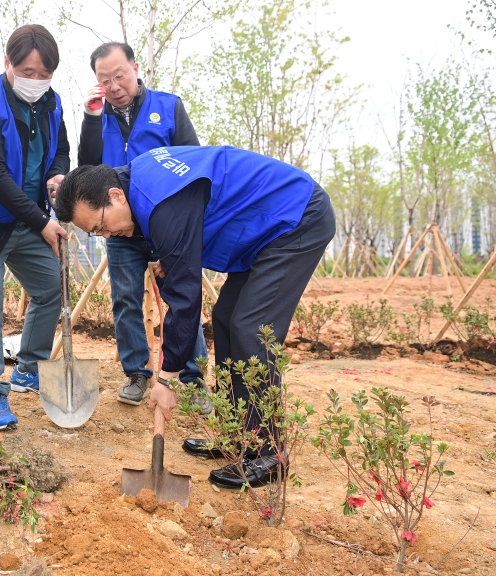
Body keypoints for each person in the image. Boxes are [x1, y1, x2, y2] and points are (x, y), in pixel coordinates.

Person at [54, 146, 336, 489]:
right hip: (265, 229)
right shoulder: (138, 183)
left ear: (115, 196)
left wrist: (167, 379)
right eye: (96, 234)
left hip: (295, 217)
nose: (106, 235)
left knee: (251, 328)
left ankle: (270, 451)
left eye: (101, 226)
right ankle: (237, 436)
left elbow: (186, 301)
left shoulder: (162, 202)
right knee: (226, 318)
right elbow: (184, 231)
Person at [77, 42, 210, 410]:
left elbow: (194, 160)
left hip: (167, 222)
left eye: (119, 75)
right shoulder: (96, 118)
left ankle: (193, 378)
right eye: (105, 80)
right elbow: (86, 171)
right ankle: (137, 373)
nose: (115, 85)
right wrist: (90, 119)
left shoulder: (168, 107)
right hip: (120, 226)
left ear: (136, 69)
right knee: (125, 300)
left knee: (181, 296)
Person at [0, 24, 70, 431]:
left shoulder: (52, 103)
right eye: (27, 71)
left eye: (44, 74)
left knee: (50, 288)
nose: (36, 81)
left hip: (29, 220)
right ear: (8, 63)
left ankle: (28, 368)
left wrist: (57, 178)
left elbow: (60, 152)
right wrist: (42, 221)